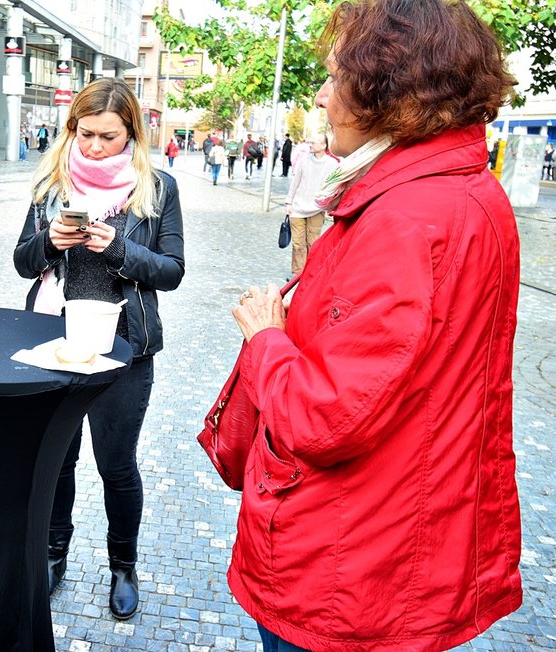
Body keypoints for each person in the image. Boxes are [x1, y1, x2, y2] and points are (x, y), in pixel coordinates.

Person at [230, 1, 521, 649]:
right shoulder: (469, 191)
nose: (323, 96)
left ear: (385, 91)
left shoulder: (402, 217)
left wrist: (266, 338)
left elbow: (326, 418)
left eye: (335, 78)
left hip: (346, 565)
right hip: (404, 539)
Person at [13, 77, 185, 621]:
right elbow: (22, 260)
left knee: (116, 465)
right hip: (55, 341)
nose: (92, 147)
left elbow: (172, 271)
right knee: (57, 461)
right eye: (84, 134)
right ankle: (53, 554)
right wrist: (48, 243)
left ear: (131, 133)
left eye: (107, 137)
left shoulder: (158, 187)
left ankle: (122, 566)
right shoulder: (51, 184)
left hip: (123, 348)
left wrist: (123, 250)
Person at [284, 132, 338, 277]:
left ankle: (309, 272)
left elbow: (334, 186)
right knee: (298, 244)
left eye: (314, 143)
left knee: (313, 244)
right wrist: (289, 202)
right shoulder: (304, 161)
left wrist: (329, 205)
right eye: (311, 142)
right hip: (298, 208)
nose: (311, 145)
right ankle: (298, 274)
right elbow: (295, 183)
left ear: (324, 145)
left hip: (316, 209)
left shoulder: (332, 164)